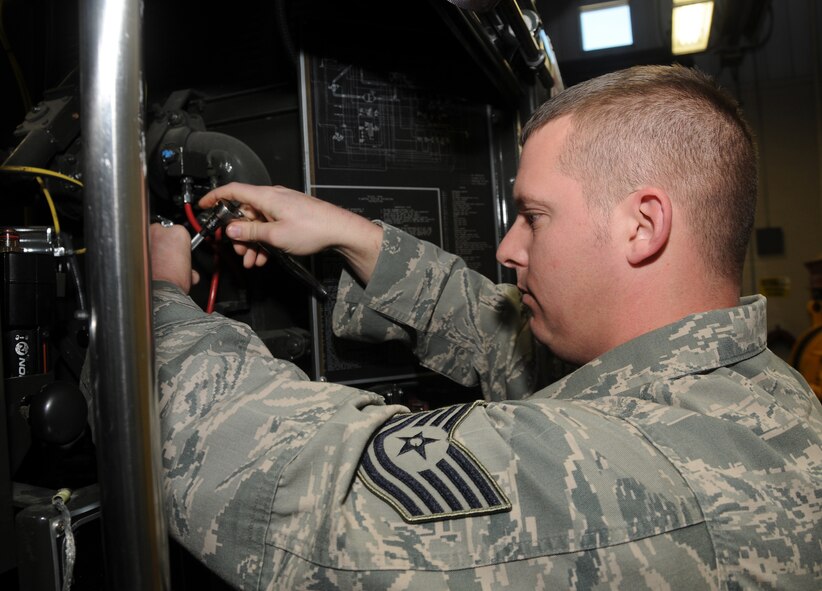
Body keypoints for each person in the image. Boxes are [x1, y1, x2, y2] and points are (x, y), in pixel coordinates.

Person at [149, 64, 822, 589]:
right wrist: (346, 234)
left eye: (534, 215)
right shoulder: (746, 394)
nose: (507, 247)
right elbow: (498, 336)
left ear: (641, 226)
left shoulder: (642, 478)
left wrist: (154, 294)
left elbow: (286, 490)